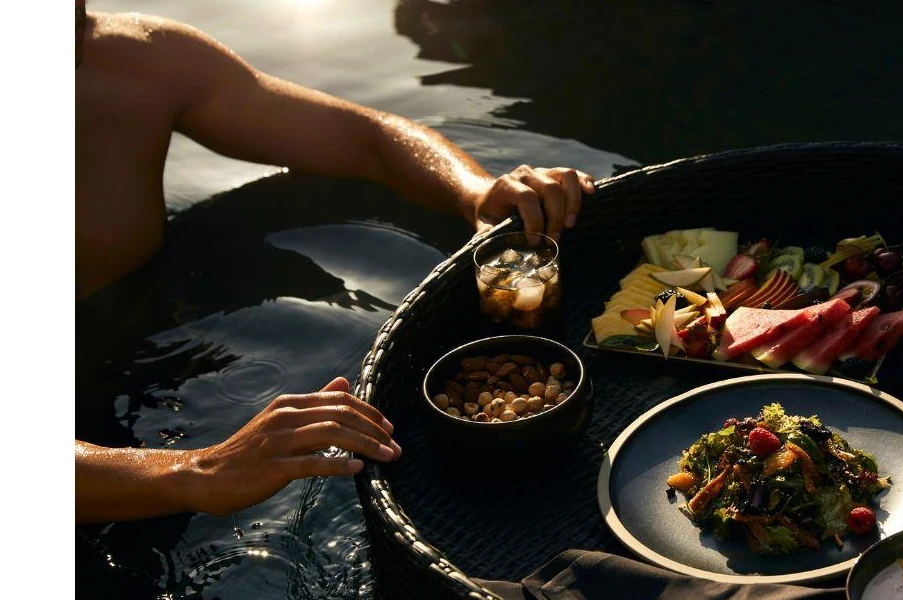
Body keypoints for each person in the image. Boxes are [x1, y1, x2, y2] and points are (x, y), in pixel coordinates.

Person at [74, 4, 595, 523]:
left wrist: (475, 193)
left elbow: (366, 138)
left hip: (154, 362)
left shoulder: (135, 59)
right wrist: (197, 472)